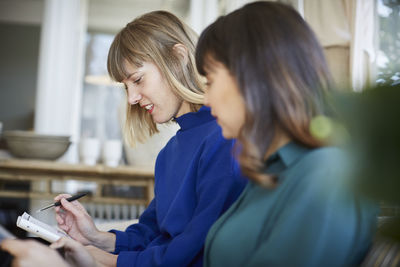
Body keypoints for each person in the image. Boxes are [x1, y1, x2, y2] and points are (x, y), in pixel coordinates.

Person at [0, 10, 246, 267]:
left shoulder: (223, 139)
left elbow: (197, 249)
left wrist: (108, 261)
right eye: (126, 87)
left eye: (138, 80)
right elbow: (152, 233)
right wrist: (95, 237)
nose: (132, 99)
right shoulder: (171, 151)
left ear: (179, 57)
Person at [194, 2, 378, 266]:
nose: (206, 99)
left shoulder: (326, 176)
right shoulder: (274, 170)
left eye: (210, 81)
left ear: (255, 76)